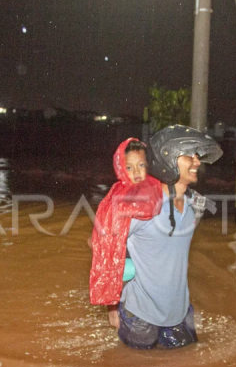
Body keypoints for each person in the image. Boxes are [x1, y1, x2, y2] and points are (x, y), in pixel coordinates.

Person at [116, 125, 222, 349]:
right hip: (140, 313)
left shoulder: (195, 205)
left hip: (178, 310)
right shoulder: (140, 207)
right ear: (167, 159)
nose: (197, 162)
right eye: (189, 156)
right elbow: (100, 244)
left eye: (197, 156)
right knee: (135, 366)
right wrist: (110, 306)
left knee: (188, 360)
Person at [89, 138, 163, 328]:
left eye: (140, 165)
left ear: (148, 165)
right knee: (127, 271)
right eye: (129, 168)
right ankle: (114, 308)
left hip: (148, 252)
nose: (136, 172)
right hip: (124, 250)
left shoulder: (156, 188)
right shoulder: (118, 194)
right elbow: (104, 233)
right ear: (121, 169)